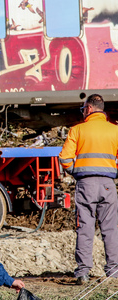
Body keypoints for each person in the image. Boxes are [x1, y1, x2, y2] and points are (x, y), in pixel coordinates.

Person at [59, 94, 118, 285]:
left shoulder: (77, 130)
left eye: (84, 108)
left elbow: (65, 158)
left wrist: (76, 172)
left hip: (86, 185)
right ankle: (113, 271)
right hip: (108, 185)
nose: (83, 112)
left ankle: (83, 272)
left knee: (85, 228)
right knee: (110, 229)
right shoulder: (115, 130)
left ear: (90, 109)